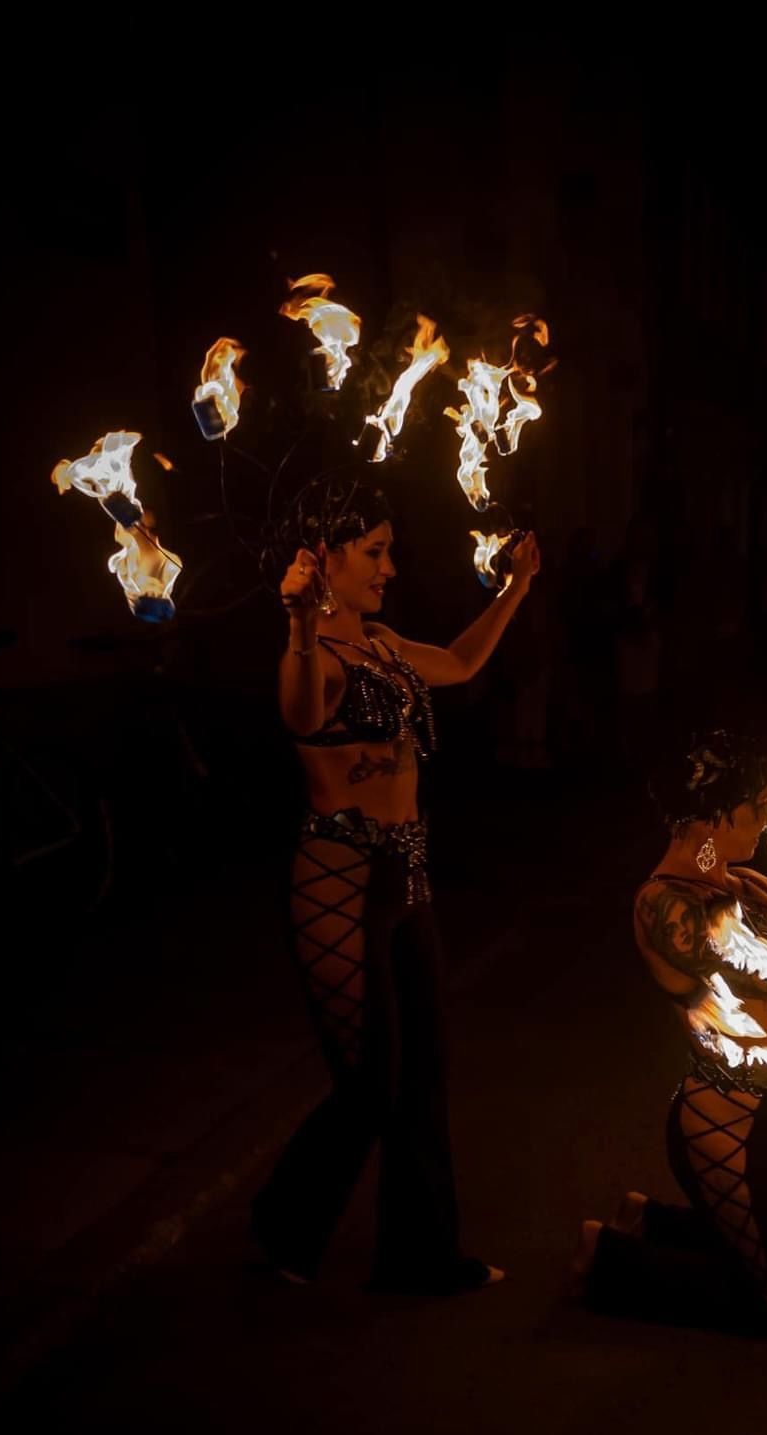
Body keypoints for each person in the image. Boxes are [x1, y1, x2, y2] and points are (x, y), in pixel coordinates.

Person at [250, 474, 540, 1292]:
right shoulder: (315, 655)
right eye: (374, 553)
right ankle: (282, 1228)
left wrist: (517, 587)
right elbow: (303, 716)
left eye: (389, 552)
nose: (390, 568)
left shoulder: (379, 642)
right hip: (336, 879)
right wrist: (302, 625)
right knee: (372, 1079)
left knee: (424, 1073)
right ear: (324, 558)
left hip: (406, 875)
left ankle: (420, 1257)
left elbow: (458, 660)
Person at [573, 729, 767, 1334]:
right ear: (713, 815)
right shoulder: (664, 906)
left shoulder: (734, 878)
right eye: (758, 803)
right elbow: (766, 976)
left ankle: (651, 1220)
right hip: (726, 1123)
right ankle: (608, 1258)